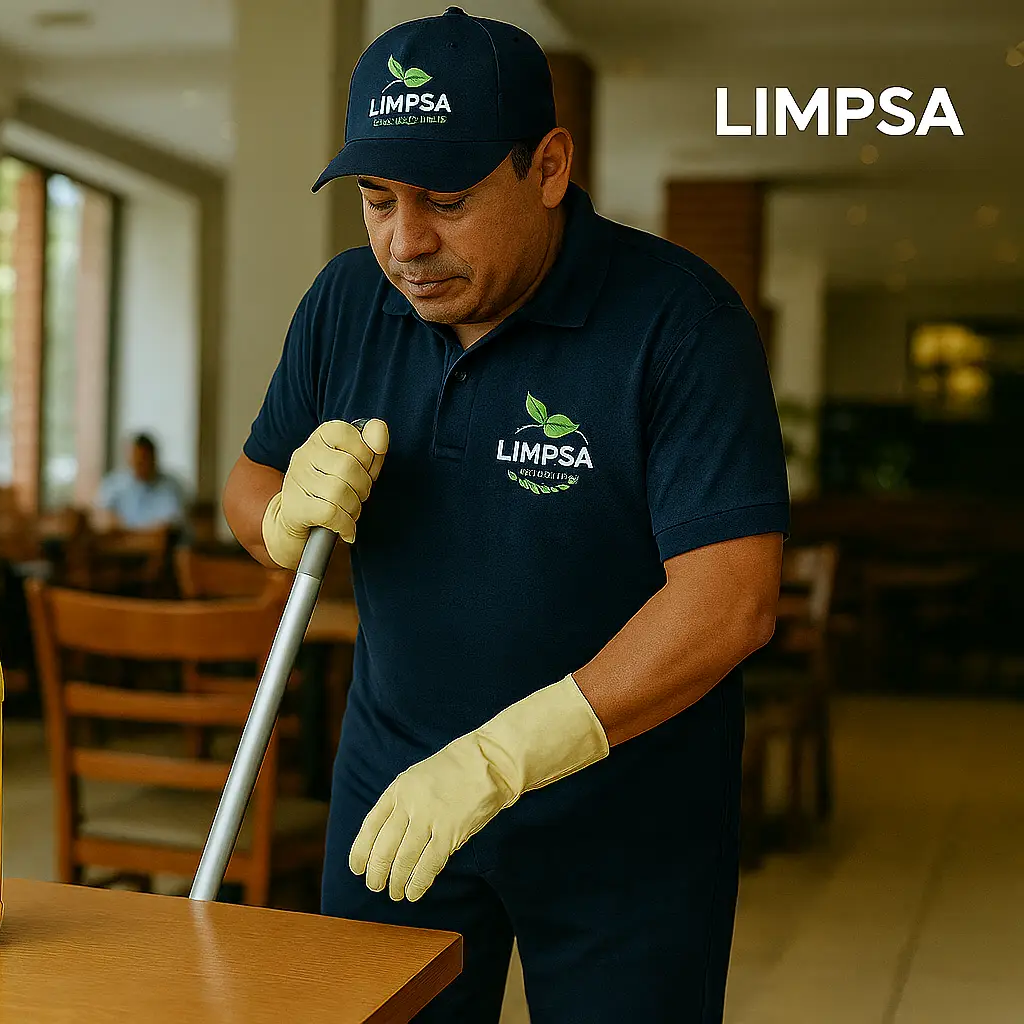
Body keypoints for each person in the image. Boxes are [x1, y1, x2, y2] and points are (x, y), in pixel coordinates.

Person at [222, 9, 787, 1023]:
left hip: (627, 815)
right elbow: (249, 482)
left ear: (550, 165)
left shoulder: (679, 321)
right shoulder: (346, 303)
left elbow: (731, 599)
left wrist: (500, 757)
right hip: (396, 803)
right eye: (377, 199)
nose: (407, 242)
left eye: (447, 199)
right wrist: (277, 517)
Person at [94, 433, 186, 530]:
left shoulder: (171, 487)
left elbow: (168, 526)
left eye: (144, 458)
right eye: (136, 459)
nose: (140, 464)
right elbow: (102, 517)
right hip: (121, 543)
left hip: (155, 543)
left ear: (154, 458)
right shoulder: (113, 484)